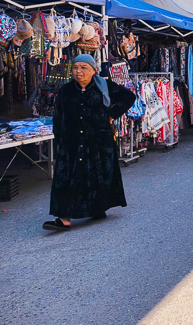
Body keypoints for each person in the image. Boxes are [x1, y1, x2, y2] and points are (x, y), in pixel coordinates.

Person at [43, 54, 136, 231]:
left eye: (83, 67)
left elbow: (129, 97)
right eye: (75, 67)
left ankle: (97, 208)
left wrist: (111, 115)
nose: (78, 71)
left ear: (93, 70)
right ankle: (64, 218)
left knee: (96, 175)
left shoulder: (104, 86)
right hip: (71, 141)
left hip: (98, 140)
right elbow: (59, 115)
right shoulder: (67, 90)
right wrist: (59, 139)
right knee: (67, 177)